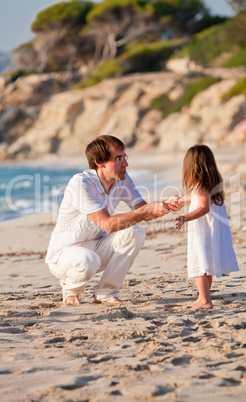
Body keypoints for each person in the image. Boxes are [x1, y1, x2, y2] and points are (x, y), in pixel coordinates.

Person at [46, 135, 181, 305]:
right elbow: (107, 224)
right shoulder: (81, 183)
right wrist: (147, 210)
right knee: (88, 260)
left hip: (96, 246)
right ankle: (70, 290)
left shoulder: (121, 179)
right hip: (64, 254)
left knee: (135, 232)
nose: (125, 164)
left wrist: (165, 205)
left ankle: (105, 291)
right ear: (99, 162)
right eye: (118, 159)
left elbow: (143, 211)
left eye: (125, 157)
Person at [175, 144, 239, 309]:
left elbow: (203, 207)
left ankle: (205, 301)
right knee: (206, 264)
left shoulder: (202, 187)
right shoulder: (208, 184)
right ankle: (203, 297)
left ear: (191, 167)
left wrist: (184, 217)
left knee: (199, 263)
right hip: (211, 232)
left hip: (202, 231)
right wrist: (180, 200)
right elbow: (193, 196)